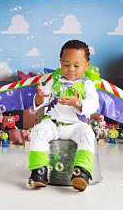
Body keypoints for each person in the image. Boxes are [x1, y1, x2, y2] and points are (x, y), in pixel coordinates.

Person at [27, 40, 98, 191]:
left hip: (76, 126)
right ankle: (39, 171)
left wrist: (77, 103)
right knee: (38, 131)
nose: (71, 69)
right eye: (66, 65)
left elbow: (93, 104)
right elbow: (43, 100)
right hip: (53, 123)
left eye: (76, 65)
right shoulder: (54, 81)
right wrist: (40, 95)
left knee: (87, 135)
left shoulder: (87, 84)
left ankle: (82, 172)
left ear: (86, 65)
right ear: (60, 63)